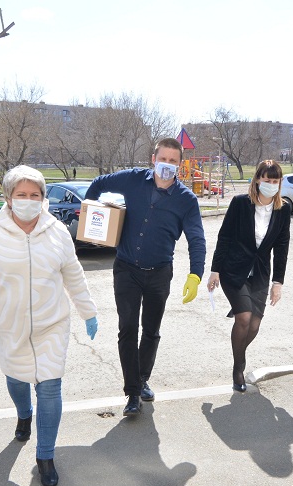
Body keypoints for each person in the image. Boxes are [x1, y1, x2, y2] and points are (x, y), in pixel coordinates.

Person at [0, 165, 98, 486]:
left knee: (50, 387)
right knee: (16, 379)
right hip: (9, 327)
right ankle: (24, 413)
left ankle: (45, 456)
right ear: (8, 199)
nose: (28, 200)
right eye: (21, 194)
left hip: (52, 324)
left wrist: (88, 311)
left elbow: (73, 274)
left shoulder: (57, 232)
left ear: (42, 198)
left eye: (34, 195)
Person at [85, 138, 206, 416]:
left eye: (173, 161)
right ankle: (132, 393)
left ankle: (142, 379)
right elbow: (100, 183)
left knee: (151, 331)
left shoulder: (186, 200)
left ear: (180, 165)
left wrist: (195, 274)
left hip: (160, 273)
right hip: (127, 269)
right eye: (163, 159)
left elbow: (196, 238)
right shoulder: (133, 179)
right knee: (128, 329)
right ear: (154, 159)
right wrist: (92, 213)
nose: (167, 165)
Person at [207, 160, 291, 392]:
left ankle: (239, 353)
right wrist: (215, 270)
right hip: (233, 270)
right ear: (257, 180)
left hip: (260, 273)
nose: (271, 184)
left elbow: (282, 247)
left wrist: (278, 282)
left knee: (254, 325)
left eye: (275, 181)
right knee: (243, 317)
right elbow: (224, 237)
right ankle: (238, 368)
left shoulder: (283, 209)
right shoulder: (240, 203)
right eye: (267, 180)